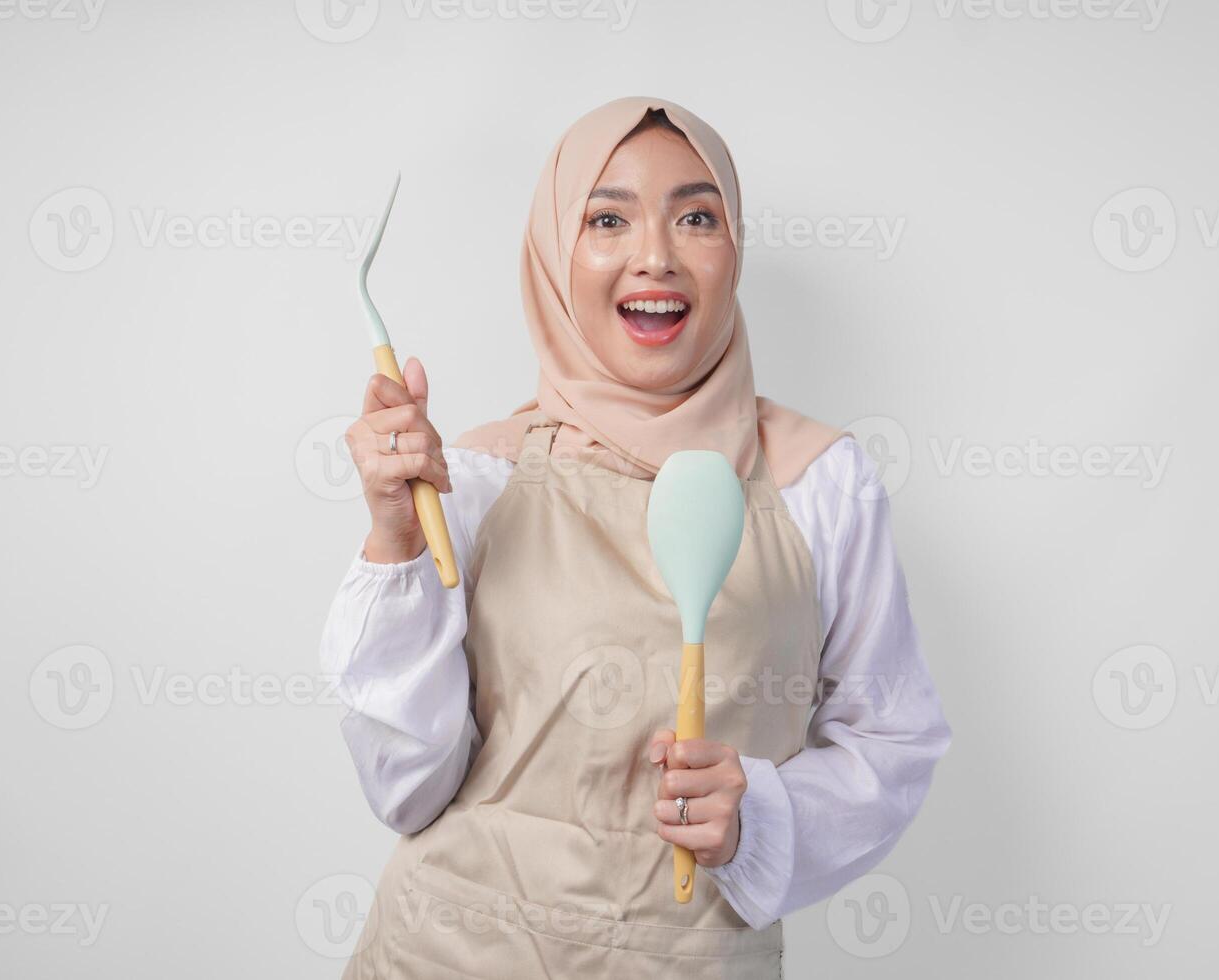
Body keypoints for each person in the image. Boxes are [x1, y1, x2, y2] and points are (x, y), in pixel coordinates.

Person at [319, 96, 952, 979]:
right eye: (607, 218)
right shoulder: (478, 478)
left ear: (736, 249)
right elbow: (408, 789)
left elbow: (893, 740)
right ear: (553, 256)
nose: (655, 256)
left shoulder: (821, 482)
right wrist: (395, 536)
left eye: (697, 216)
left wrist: (761, 815)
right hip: (445, 952)